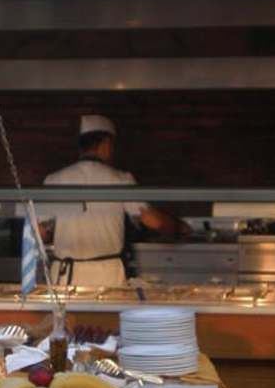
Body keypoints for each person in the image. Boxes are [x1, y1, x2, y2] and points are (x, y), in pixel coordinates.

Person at [40, 114, 185, 287]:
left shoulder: (54, 180)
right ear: (106, 144)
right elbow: (151, 220)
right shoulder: (120, 179)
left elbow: (40, 232)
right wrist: (178, 227)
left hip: (64, 276)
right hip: (106, 275)